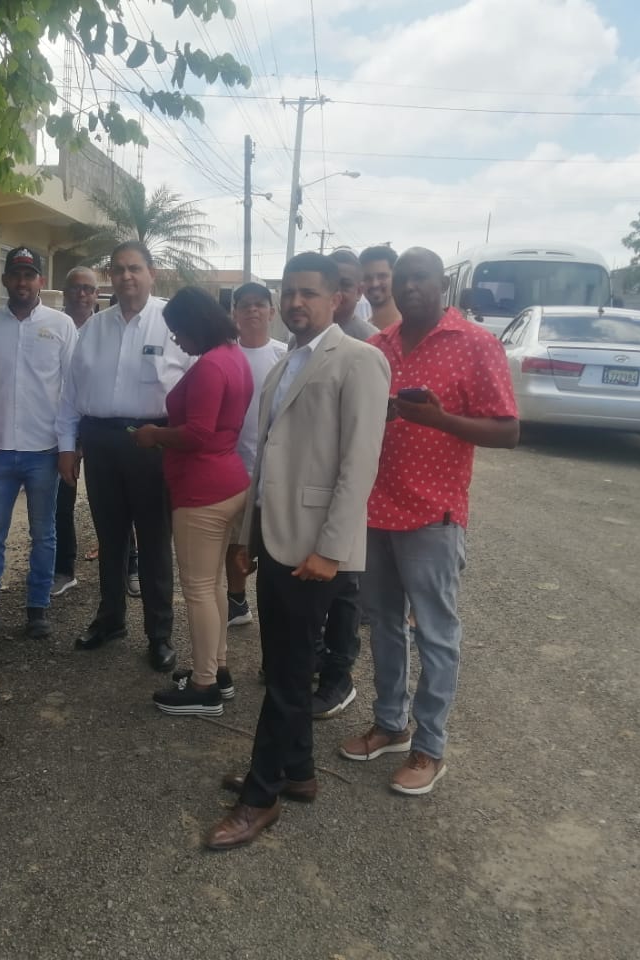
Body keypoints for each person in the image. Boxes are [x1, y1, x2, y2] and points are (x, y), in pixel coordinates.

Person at [203, 253, 390, 850]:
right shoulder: (285, 363)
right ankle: (299, 772)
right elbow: (264, 459)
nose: (294, 302)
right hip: (277, 537)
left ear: (336, 298)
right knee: (283, 660)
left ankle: (260, 797)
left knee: (287, 677)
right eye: (288, 292)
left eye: (308, 292)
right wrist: (247, 536)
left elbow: (359, 464)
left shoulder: (359, 360)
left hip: (316, 549)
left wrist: (332, 550)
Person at [339, 247, 518, 796]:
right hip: (375, 510)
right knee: (384, 625)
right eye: (403, 279)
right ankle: (390, 724)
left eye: (421, 278)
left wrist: (440, 420)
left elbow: (508, 430)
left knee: (436, 635)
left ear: (443, 285)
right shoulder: (378, 347)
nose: (409, 287)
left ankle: (430, 747)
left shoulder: (476, 344)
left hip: (433, 516)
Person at [57, 241, 189, 673]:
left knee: (154, 541)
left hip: (152, 442)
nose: (126, 276)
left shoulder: (173, 324)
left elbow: (197, 387)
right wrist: (67, 446)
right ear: (110, 277)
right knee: (110, 537)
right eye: (118, 269)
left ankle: (159, 633)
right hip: (100, 441)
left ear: (152, 273)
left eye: (135, 268)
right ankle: (110, 619)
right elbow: (71, 393)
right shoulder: (94, 328)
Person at [132, 287, 252, 716]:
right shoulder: (234, 356)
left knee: (198, 589)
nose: (177, 340)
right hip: (229, 481)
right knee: (213, 585)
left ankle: (204, 688)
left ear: (195, 324)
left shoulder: (211, 366)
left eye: (178, 331)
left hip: (202, 490)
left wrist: (154, 435)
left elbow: (198, 433)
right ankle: (217, 669)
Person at [0, 248, 77, 643]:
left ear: (41, 281)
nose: (23, 282)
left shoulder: (61, 325)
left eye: (30, 275)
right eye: (16, 275)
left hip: (45, 450)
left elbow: (73, 388)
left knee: (44, 534)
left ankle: (37, 609)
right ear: (5, 280)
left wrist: (70, 445)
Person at [307, 249, 383, 722]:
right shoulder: (306, 339)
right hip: (312, 489)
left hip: (353, 488)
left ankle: (340, 676)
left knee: (345, 587)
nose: (344, 292)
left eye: (351, 285)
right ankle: (313, 659)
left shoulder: (368, 342)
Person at [225, 282, 286, 629]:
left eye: (259, 304)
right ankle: (237, 602)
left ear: (271, 312)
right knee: (236, 541)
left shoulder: (285, 356)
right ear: (234, 312)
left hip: (275, 468)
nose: (252, 310)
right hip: (234, 466)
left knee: (275, 542)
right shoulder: (224, 354)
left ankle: (276, 608)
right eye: (244, 305)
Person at [52, 266, 100, 598]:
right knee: (62, 502)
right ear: (64, 292)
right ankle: (63, 569)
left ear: (96, 295)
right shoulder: (53, 326)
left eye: (88, 289)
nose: (81, 294)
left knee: (113, 502)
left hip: (99, 426)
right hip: (63, 427)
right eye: (75, 288)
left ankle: (129, 564)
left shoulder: (107, 328)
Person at [329, 249, 381, 341]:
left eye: (345, 285)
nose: (336, 293)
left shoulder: (373, 340)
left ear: (359, 292)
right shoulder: (304, 333)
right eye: (330, 283)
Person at [360, 245, 401, 330]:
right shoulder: (360, 332)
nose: (374, 284)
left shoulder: (413, 329)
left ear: (396, 278)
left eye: (382, 276)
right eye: (367, 278)